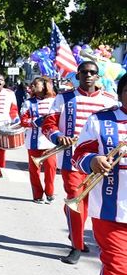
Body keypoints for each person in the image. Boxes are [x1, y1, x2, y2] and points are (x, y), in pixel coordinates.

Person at [42, 60, 119, 264]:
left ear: (97, 76)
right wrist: (58, 136)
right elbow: (48, 123)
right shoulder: (64, 97)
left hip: (104, 164)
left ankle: (102, 240)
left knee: (97, 205)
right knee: (77, 200)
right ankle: (76, 245)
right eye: (83, 72)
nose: (88, 75)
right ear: (77, 75)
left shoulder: (110, 100)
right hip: (72, 160)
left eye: (92, 72)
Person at [71, 74, 127, 275]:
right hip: (111, 209)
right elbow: (79, 153)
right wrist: (93, 160)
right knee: (118, 270)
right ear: (121, 93)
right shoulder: (100, 119)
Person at [19, 77, 57, 203]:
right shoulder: (28, 103)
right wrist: (35, 122)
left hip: (50, 142)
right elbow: (23, 121)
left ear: (45, 86)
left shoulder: (54, 101)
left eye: (36, 84)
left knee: (51, 169)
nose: (32, 86)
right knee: (34, 171)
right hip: (33, 140)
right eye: (32, 84)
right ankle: (37, 195)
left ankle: (50, 193)